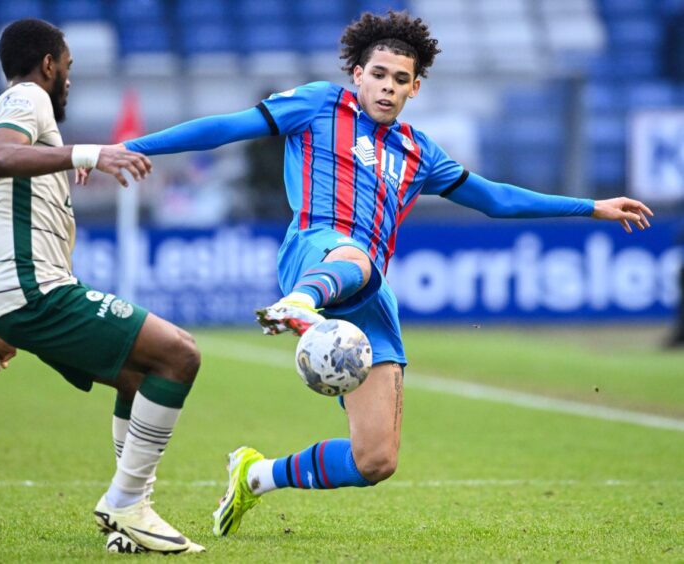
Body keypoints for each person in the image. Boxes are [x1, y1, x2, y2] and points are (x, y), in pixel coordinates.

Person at [117, 10, 655, 537]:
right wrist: (131, 148)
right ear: (357, 73)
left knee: (375, 459)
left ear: (415, 88)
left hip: (369, 292)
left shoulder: (419, 151)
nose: (387, 87)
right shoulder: (318, 104)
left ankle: (256, 475)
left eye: (401, 79)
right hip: (316, 250)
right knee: (353, 254)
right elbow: (225, 128)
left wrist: (590, 207)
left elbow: (496, 199)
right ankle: (299, 304)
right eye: (378, 74)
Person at [0, 19, 204, 554]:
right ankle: (126, 502)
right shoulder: (26, 99)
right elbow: (6, 156)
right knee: (180, 354)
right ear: (49, 64)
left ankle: (128, 520)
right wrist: (91, 153)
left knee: (137, 379)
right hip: (36, 290)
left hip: (9, 301)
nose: (69, 79)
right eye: (68, 67)